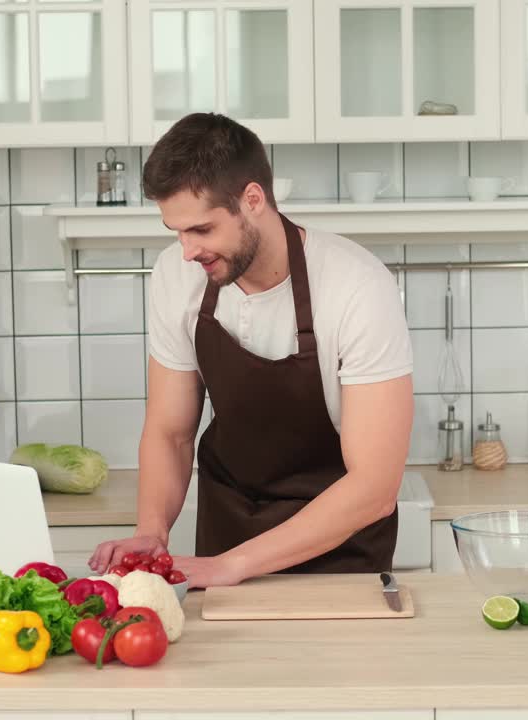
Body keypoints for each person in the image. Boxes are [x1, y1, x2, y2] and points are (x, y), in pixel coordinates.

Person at [87, 113, 414, 588]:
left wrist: (232, 565)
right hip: (225, 538)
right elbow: (170, 432)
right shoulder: (178, 276)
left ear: (253, 200)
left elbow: (375, 488)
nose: (186, 251)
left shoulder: (357, 287)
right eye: (175, 231)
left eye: (202, 230)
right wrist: (152, 532)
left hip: (338, 557)